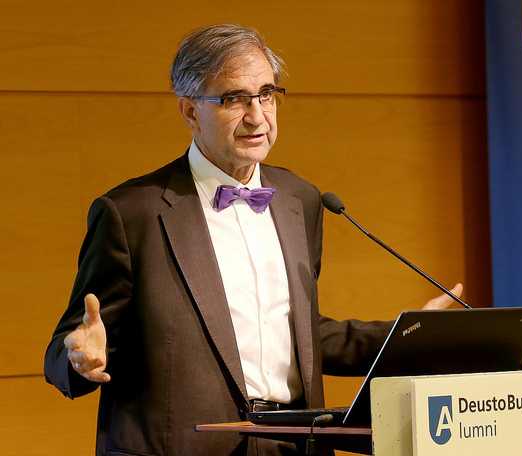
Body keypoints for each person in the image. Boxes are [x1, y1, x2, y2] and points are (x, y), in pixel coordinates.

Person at [44, 24, 462, 456]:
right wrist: (78, 359)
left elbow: (298, 333)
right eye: (233, 99)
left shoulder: (301, 199)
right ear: (190, 111)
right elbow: (68, 346)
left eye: (266, 94)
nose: (257, 116)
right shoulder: (132, 214)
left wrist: (406, 337)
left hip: (296, 442)